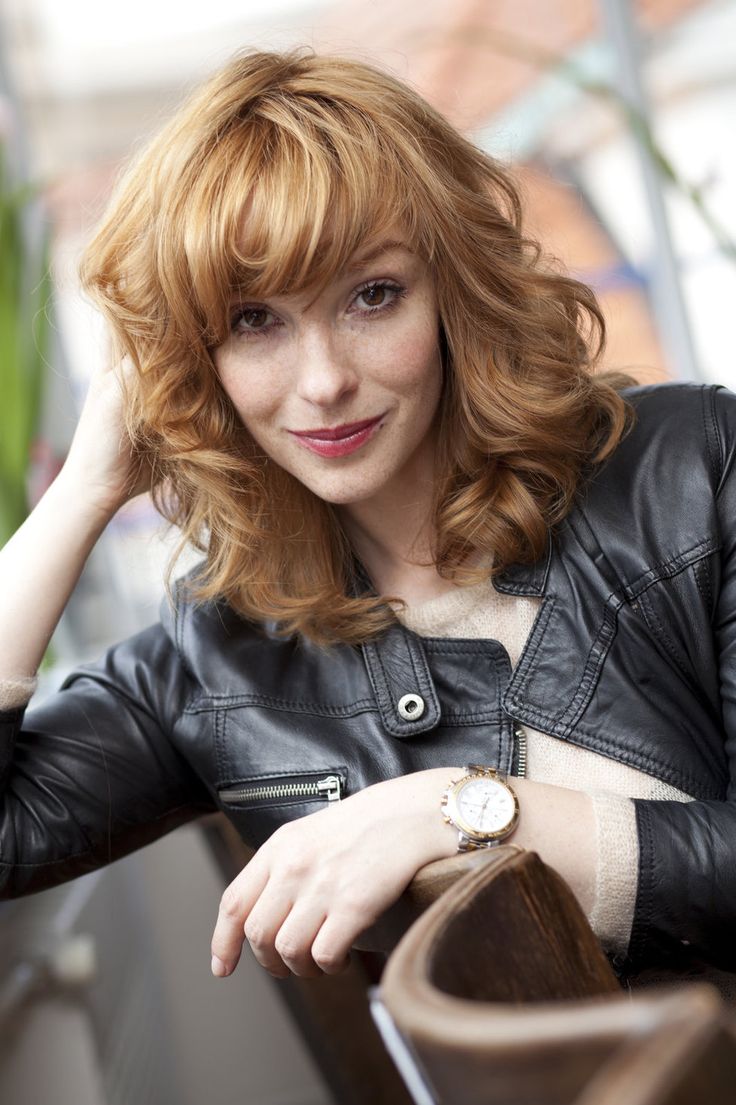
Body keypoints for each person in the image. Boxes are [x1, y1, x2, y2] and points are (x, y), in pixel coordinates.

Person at [1, 48, 734, 987]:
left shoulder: (694, 469)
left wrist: (459, 810)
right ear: (196, 356)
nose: (324, 381)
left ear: (450, 292)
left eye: (372, 295)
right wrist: (84, 490)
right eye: (254, 321)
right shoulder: (219, 656)